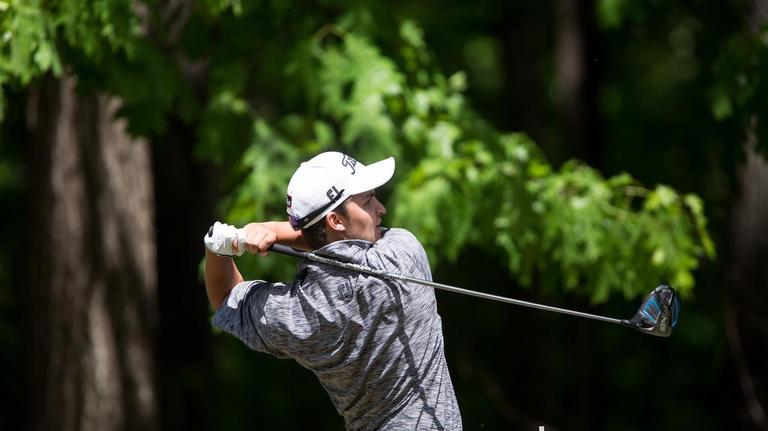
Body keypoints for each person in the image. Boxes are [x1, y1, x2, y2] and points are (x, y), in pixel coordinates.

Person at [203, 151, 462, 430]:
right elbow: (360, 242)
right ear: (336, 221)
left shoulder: (301, 311)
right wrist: (271, 230)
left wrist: (220, 247)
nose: (381, 208)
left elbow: (227, 297)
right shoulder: (402, 256)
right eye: (368, 201)